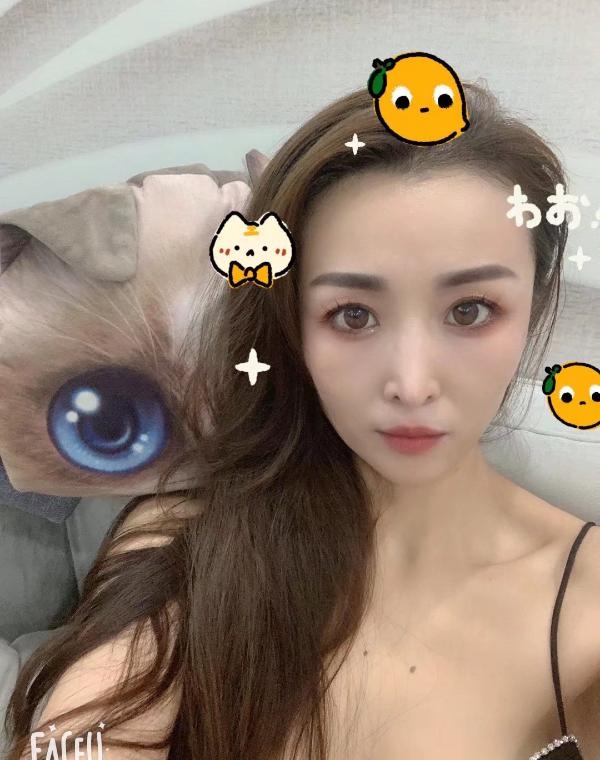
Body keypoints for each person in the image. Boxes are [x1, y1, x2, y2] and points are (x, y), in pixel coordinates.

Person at [5, 81, 599, 760]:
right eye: (353, 315)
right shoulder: (188, 543)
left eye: (470, 311)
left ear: (534, 302)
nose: (411, 385)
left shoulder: (585, 603)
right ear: (292, 323)